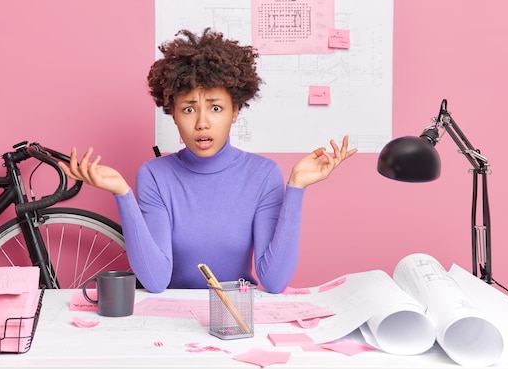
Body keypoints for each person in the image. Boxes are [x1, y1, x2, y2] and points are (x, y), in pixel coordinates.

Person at [60, 28, 356, 294]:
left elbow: (275, 282)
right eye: (188, 109)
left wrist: (296, 188)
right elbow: (155, 279)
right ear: (172, 114)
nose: (202, 123)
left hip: (238, 315)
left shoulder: (263, 175)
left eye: (216, 107)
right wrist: (122, 193)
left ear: (235, 111)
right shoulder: (154, 176)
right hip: (172, 319)